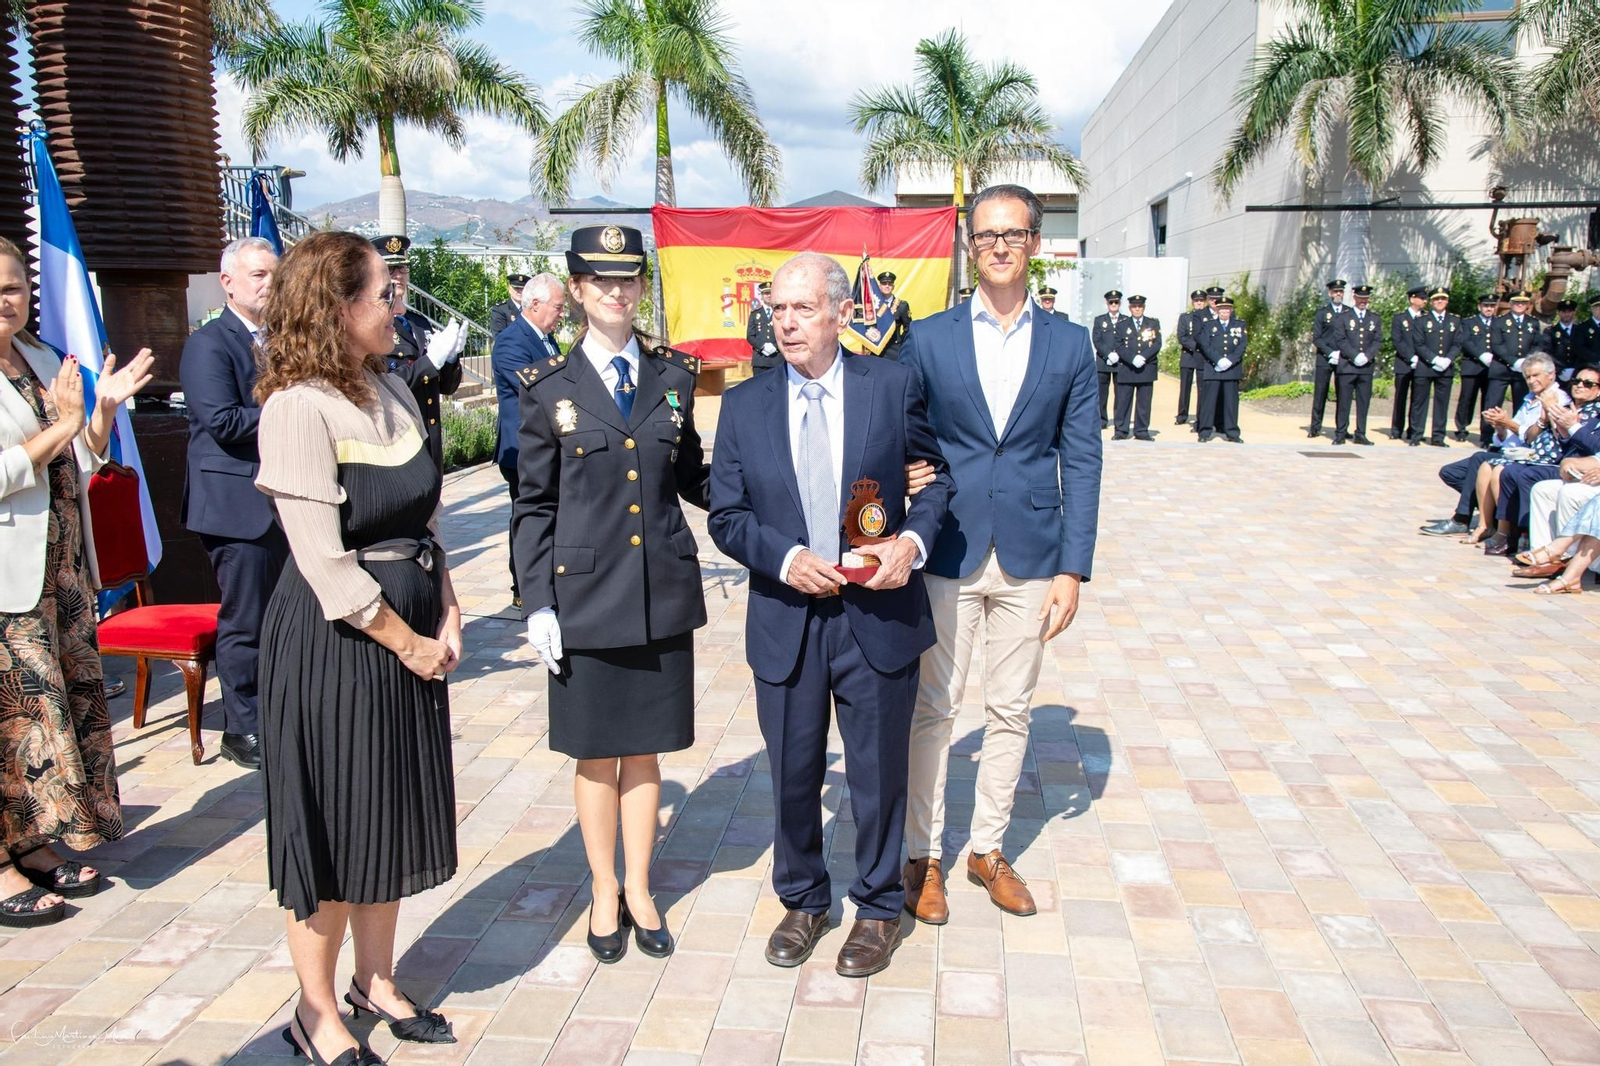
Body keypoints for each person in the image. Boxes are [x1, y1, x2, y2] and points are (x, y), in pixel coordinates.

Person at [708, 252, 953, 978]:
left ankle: (877, 908)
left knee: (877, 773)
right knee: (792, 772)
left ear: (842, 314)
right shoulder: (745, 405)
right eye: (778, 308)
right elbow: (727, 515)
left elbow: (937, 481)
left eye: (803, 308)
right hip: (787, 615)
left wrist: (911, 543)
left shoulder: (892, 385)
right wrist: (784, 559)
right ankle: (803, 899)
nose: (786, 323)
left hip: (877, 614)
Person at [255, 231, 463, 1064]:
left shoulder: (391, 387)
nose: (397, 305)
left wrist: (449, 608)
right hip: (338, 648)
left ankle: (375, 979)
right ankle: (314, 1013)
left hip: (409, 630)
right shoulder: (296, 407)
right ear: (335, 307)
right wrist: (409, 643)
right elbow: (325, 563)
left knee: (392, 816)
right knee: (337, 827)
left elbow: (426, 520)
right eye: (384, 293)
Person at [899, 183, 1100, 926]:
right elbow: (902, 426)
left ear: (1035, 243)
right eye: (986, 234)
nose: (1000, 246)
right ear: (970, 245)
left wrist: (1073, 567)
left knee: (1011, 709)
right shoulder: (930, 337)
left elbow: (1082, 458)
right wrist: (904, 475)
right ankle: (923, 855)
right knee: (935, 707)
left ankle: (986, 849)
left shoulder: (1070, 344)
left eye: (1013, 233)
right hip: (947, 545)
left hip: (1032, 554)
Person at [511, 225, 708, 966]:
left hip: (659, 594)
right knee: (596, 755)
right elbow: (533, 504)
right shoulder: (547, 389)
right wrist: (537, 601)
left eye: (628, 279)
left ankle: (641, 888)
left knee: (645, 752)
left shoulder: (673, 378)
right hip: (585, 600)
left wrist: (778, 498)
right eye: (601, 280)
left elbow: (694, 476)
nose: (617, 293)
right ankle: (602, 888)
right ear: (577, 289)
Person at [0, 236, 152, 927]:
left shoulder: (38, 357)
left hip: (61, 566)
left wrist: (101, 414)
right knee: (12, 728)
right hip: (9, 577)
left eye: (13, 287)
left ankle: (31, 843)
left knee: (53, 715)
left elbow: (80, 458)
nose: (6, 301)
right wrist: (62, 423)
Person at [179, 236, 284, 771]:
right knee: (247, 620)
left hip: (280, 499)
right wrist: (292, 409)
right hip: (236, 505)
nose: (269, 284)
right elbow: (222, 421)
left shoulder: (280, 339)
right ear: (228, 282)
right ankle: (242, 728)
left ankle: (280, 714)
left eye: (274, 274)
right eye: (258, 275)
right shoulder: (209, 343)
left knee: (281, 616)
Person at [491, 273, 565, 609]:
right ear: (534, 304)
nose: (561, 314)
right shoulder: (511, 341)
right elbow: (535, 388)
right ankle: (523, 587)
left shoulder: (547, 339)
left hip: (547, 445)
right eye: (557, 307)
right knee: (528, 519)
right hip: (523, 449)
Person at [372, 235, 466, 470]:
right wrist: (430, 362)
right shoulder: (376, 327)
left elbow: (446, 387)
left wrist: (450, 359)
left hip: (429, 438)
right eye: (390, 269)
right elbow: (385, 383)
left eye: (402, 268)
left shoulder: (418, 322)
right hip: (400, 435)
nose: (398, 275)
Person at [1468, 353, 1569, 551]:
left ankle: (1506, 532)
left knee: (1500, 470)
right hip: (1519, 451)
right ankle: (1485, 525)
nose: (1531, 381)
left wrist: (1510, 423)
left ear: (1551, 374)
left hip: (1543, 455)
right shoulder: (1530, 399)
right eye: (1528, 377)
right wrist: (1500, 426)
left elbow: (1535, 436)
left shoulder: (1558, 398)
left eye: (1536, 375)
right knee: (1485, 465)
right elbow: (1510, 437)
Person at [1408, 286, 1461, 447]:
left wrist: (1448, 359)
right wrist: (1435, 359)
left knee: (1442, 404)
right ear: (1431, 302)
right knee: (1419, 402)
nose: (1440, 301)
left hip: (1446, 368)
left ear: (1447, 301)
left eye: (1443, 299)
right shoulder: (1421, 320)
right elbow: (1419, 344)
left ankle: (1438, 437)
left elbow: (1458, 343)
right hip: (1425, 367)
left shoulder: (1454, 320)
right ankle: (1416, 435)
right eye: (1437, 299)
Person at [1331, 283, 1381, 445]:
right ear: (1354, 297)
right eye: (1360, 298)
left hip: (1366, 367)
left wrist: (1367, 356)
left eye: (1366, 298)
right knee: (1344, 401)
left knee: (1363, 402)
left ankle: (1361, 433)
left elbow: (1377, 340)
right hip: (1347, 366)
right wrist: (1354, 355)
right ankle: (1340, 433)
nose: (1363, 301)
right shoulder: (1344, 317)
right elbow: (1340, 339)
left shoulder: (1374, 318)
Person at [1487, 289, 1542, 420]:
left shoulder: (1533, 322)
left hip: (1523, 370)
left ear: (1527, 304)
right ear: (1511, 304)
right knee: (1493, 404)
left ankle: (1517, 430)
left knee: (1521, 404)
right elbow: (1496, 344)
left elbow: (1537, 345)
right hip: (1501, 369)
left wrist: (1526, 361)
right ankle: (1487, 432)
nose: (1520, 305)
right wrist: (1514, 362)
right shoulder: (1499, 321)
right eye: (1517, 302)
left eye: (1523, 302)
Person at [1198, 296, 1246, 443]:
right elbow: (1205, 345)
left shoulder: (1239, 325)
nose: (1224, 312)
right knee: (1209, 402)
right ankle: (1205, 432)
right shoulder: (1208, 325)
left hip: (1232, 369)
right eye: (1222, 309)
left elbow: (1242, 345)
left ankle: (1232, 432)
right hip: (1213, 368)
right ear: (1217, 310)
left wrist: (1230, 360)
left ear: (1231, 310)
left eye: (1227, 309)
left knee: (1231, 403)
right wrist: (1218, 360)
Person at [1112, 294, 1159, 440]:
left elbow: (1157, 344)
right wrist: (1132, 358)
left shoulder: (1152, 324)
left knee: (1144, 402)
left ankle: (1141, 430)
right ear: (1130, 308)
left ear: (1143, 307)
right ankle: (1121, 431)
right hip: (1128, 367)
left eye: (1139, 306)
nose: (1137, 309)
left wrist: (1143, 357)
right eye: (1134, 306)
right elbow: (1118, 345)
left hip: (1146, 367)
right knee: (1123, 401)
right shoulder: (1122, 325)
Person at [1454, 293, 1497, 442]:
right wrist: (1481, 355)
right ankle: (1461, 429)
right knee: (1467, 399)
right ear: (1479, 307)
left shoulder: (1499, 323)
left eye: (1492, 306)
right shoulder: (1469, 322)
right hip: (1472, 366)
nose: (1489, 309)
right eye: (1486, 306)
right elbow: (1465, 341)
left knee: (1489, 401)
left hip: (1492, 367)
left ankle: (1486, 432)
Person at [1308, 278, 1346, 439]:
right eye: (1335, 291)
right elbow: (1317, 338)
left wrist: (1342, 353)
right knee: (1320, 393)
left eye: (1341, 291)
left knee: (1343, 394)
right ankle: (1315, 427)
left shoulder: (1348, 312)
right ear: (1330, 293)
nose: (1338, 294)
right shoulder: (1322, 313)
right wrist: (1330, 353)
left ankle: (1342, 428)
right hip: (1325, 358)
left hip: (1343, 358)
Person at [1390, 286, 1425, 440]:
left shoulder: (1426, 317)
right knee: (1400, 398)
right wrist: (1411, 357)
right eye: (1421, 298)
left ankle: (1414, 431)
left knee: (1418, 399)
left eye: (1425, 298)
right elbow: (1397, 341)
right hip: (1404, 363)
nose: (1425, 301)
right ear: (1412, 299)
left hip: (1422, 364)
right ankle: (1396, 430)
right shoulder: (1400, 318)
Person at [1091, 290, 1124, 429]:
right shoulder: (1100, 320)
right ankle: (1101, 420)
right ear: (1107, 303)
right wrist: (1108, 354)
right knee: (1101, 394)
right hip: (1103, 361)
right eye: (1111, 302)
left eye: (1116, 302)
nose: (1114, 304)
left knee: (1121, 394)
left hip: (1121, 362)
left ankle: (1119, 421)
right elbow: (1097, 340)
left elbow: (1127, 341)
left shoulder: (1125, 320)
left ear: (1120, 303)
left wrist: (1118, 354)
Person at [1176, 289, 1208, 428]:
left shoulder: (1208, 317)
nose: (1199, 303)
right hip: (1188, 355)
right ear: (1192, 302)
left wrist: (1203, 348)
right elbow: (1182, 336)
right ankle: (1182, 415)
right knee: (1185, 388)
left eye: (1201, 300)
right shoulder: (1185, 317)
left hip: (1203, 356)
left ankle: (1200, 416)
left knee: (1202, 388)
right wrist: (1196, 346)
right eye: (1196, 300)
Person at [877, 270, 914, 360]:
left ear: (893, 286)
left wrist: (900, 342)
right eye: (884, 283)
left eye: (890, 284)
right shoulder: (874, 305)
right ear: (879, 286)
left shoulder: (901, 305)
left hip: (893, 349)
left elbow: (908, 327)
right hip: (876, 348)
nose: (887, 286)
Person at [747, 279, 781, 374]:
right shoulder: (755, 314)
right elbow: (750, 336)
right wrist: (762, 346)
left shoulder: (782, 313)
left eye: (771, 293)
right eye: (766, 293)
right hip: (760, 360)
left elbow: (786, 334)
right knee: (759, 383)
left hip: (777, 359)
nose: (769, 295)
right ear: (761, 296)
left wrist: (776, 347)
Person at [490, 272, 530, 338]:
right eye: (516, 288)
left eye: (522, 289)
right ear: (509, 289)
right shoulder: (500, 310)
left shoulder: (531, 308)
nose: (520, 292)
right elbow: (499, 337)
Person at [1549, 299, 1581, 381]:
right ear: (1558, 313)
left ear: (1574, 312)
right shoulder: (1550, 331)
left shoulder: (1581, 330)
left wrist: (1576, 369)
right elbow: (1548, 352)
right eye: (1563, 311)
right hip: (1557, 374)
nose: (1567, 314)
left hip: (1577, 373)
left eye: (1570, 311)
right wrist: (1560, 370)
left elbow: (1583, 351)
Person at [1578, 295, 1600, 366]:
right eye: (1598, 307)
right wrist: (1598, 360)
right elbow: (1580, 349)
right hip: (1590, 366)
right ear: (1592, 309)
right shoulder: (1582, 328)